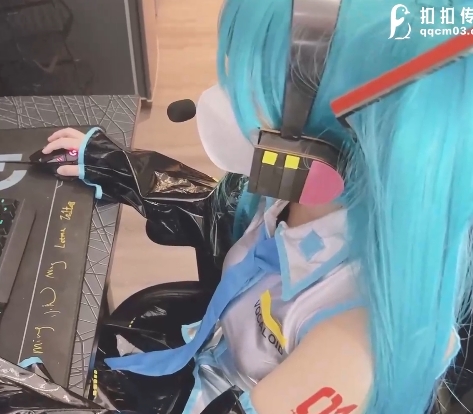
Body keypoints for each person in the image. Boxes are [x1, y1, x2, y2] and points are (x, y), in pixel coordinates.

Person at [41, 0, 472, 413]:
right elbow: (223, 215)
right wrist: (124, 170)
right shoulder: (304, 191)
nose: (229, 100)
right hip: (201, 359)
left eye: (257, 87)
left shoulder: (358, 342)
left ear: (316, 140)